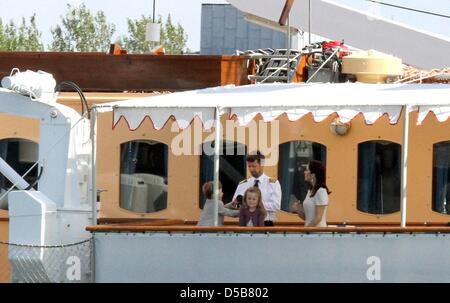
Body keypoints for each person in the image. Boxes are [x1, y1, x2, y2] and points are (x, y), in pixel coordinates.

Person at [232, 151, 281, 226]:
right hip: (246, 223)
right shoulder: (243, 184)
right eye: (249, 166)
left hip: (266, 222)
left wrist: (256, 205)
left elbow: (276, 206)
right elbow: (234, 205)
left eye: (254, 166)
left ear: (262, 164)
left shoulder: (273, 183)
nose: (251, 169)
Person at [291, 160, 330, 227]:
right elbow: (307, 218)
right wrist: (298, 209)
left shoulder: (321, 191)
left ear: (313, 175)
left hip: (319, 234)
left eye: (307, 170)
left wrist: (306, 230)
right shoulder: (310, 191)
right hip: (311, 233)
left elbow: (318, 218)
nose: (304, 172)